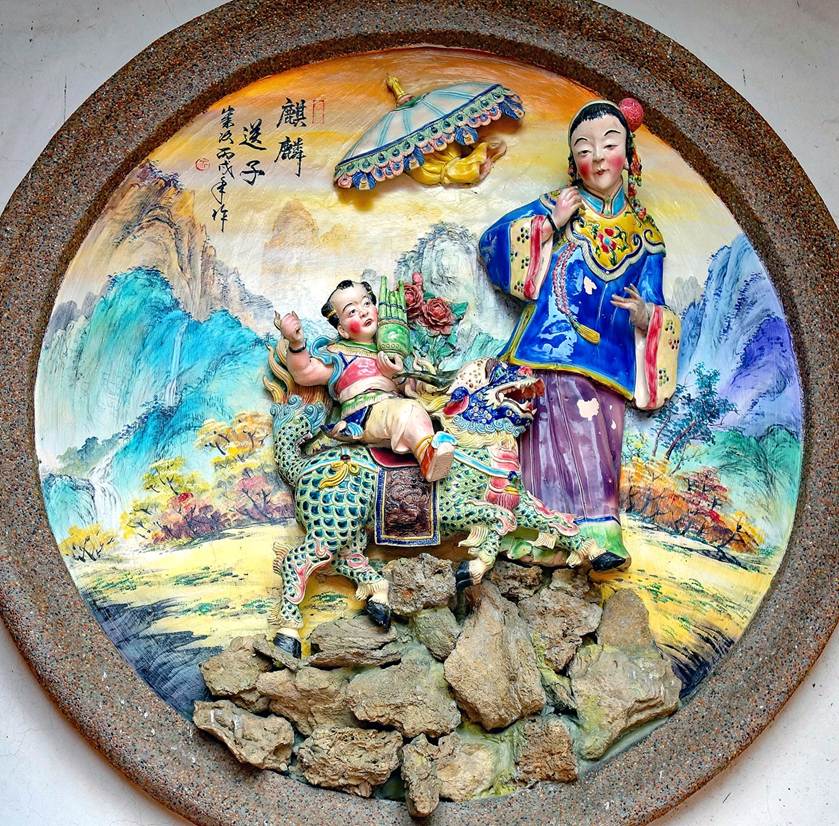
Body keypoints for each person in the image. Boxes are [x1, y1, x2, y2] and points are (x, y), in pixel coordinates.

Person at [478, 98, 680, 571]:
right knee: (549, 446)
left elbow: (655, 301)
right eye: (585, 149)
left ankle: (592, 536)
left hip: (609, 358)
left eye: (609, 145)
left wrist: (646, 314)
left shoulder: (645, 234)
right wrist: (549, 225)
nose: (598, 157)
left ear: (629, 155)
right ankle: (545, 536)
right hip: (549, 347)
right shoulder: (559, 205)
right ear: (574, 162)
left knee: (601, 445)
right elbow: (492, 244)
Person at [279, 279, 456, 481]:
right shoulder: (339, 355)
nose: (363, 312)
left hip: (391, 408)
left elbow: (409, 387)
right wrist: (296, 343)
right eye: (352, 311)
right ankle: (427, 457)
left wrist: (396, 374)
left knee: (413, 409)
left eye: (366, 303)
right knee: (408, 410)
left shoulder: (390, 351)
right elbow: (304, 372)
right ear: (342, 330)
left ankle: (429, 445)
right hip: (364, 414)